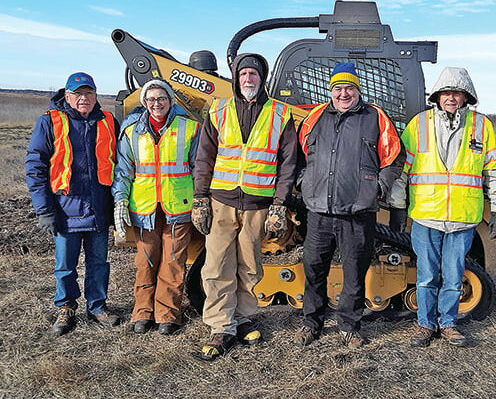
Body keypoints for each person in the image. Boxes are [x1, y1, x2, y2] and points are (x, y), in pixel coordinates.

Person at [192, 53, 297, 359]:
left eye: (253, 74)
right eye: (243, 74)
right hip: (221, 201)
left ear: (261, 79)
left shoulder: (280, 113)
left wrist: (279, 204)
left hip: (257, 204)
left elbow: (288, 163)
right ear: (236, 79)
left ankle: (242, 318)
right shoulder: (219, 109)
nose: (248, 79)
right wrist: (200, 198)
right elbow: (204, 157)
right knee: (216, 265)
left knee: (250, 265)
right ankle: (221, 326)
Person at [293, 62, 403, 349]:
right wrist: (304, 181)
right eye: (338, 88)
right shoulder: (315, 117)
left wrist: (378, 186)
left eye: (349, 88)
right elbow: (299, 154)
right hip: (318, 211)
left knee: (355, 271)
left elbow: (394, 157)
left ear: (358, 90)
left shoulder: (375, 117)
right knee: (314, 268)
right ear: (331, 91)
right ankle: (311, 323)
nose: (344, 94)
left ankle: (349, 326)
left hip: (357, 213)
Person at [401, 67, 496, 348]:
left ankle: (448, 324)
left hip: (463, 217)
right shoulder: (419, 124)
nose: (451, 98)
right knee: (426, 275)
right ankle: (425, 325)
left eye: (456, 93)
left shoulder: (481, 126)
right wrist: (396, 204)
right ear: (437, 96)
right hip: (426, 215)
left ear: (466, 97)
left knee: (453, 275)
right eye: (446, 92)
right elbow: (402, 168)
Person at [25, 72, 121, 336]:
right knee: (65, 265)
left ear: (95, 95)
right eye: (78, 94)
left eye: (89, 93)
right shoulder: (50, 122)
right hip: (65, 210)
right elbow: (35, 167)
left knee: (99, 262)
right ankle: (66, 307)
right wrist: (44, 209)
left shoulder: (108, 121)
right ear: (67, 96)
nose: (84, 98)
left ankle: (97, 306)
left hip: (99, 209)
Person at [112, 79, 200, 335]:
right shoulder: (131, 132)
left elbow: (198, 168)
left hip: (179, 206)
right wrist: (120, 199)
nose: (156, 104)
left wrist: (200, 200)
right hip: (145, 207)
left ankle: (168, 315)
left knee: (173, 262)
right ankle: (142, 313)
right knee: (145, 261)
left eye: (161, 98)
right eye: (150, 100)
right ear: (144, 103)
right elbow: (124, 171)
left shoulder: (190, 128)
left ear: (170, 100)